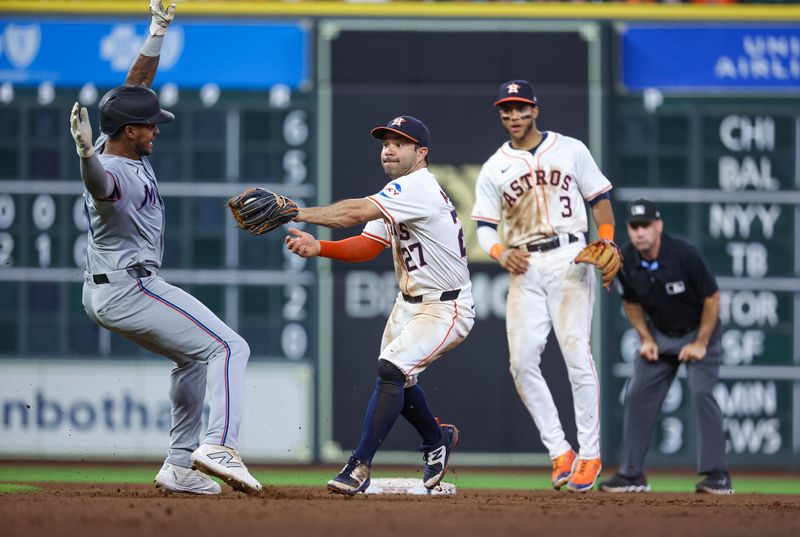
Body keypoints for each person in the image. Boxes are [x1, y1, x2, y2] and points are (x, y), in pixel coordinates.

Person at [69, 1, 261, 496]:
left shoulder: (126, 142)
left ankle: (179, 464)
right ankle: (218, 444)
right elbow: (98, 186)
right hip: (129, 289)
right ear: (130, 132)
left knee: (193, 361)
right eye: (150, 125)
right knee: (228, 346)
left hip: (108, 288)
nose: (157, 128)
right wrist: (86, 155)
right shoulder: (113, 172)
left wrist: (157, 30)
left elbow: (136, 91)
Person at [285, 115, 475, 495]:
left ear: (421, 153)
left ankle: (359, 465)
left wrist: (297, 212)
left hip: (445, 307)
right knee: (398, 378)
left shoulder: (417, 187)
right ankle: (437, 439)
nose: (389, 148)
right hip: (408, 303)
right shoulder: (397, 192)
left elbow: (353, 213)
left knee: (391, 368)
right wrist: (319, 247)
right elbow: (369, 243)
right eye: (386, 141)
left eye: (400, 142)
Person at [471, 79, 619, 492]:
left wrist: (605, 237)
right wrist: (500, 252)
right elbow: (483, 227)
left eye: (520, 108)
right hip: (524, 264)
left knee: (575, 353)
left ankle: (590, 454)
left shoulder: (571, 149)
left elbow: (600, 200)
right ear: (501, 115)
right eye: (506, 110)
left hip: (571, 258)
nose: (513, 116)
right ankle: (560, 451)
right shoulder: (494, 167)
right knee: (522, 363)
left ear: (535, 110)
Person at [599, 199, 734, 495]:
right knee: (635, 394)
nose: (639, 232)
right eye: (634, 226)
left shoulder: (684, 255)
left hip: (700, 331)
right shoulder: (626, 260)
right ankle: (632, 474)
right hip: (661, 335)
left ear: (658, 225)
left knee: (702, 392)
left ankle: (717, 475)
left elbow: (712, 298)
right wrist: (646, 339)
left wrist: (700, 343)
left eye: (645, 225)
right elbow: (631, 302)